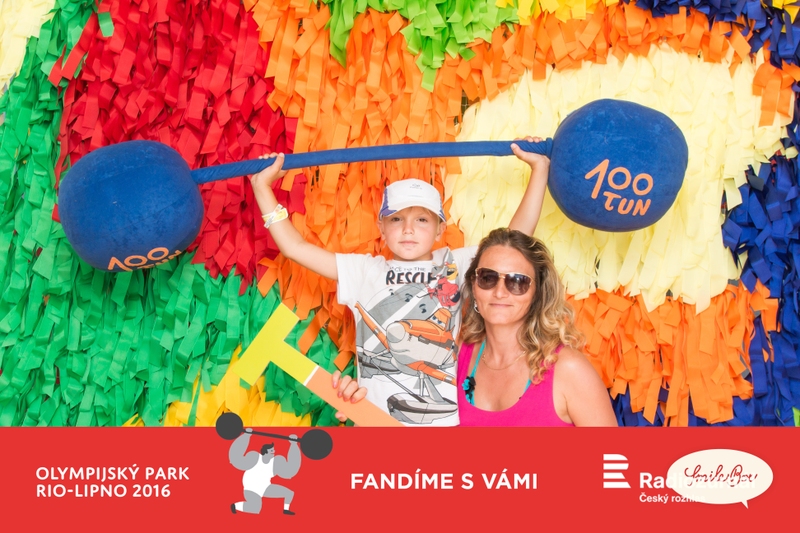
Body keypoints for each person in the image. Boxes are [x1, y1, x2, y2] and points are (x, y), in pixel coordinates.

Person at [250, 139, 550, 426]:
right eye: (396, 219)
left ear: (440, 229)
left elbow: (516, 239)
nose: (408, 229)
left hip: (442, 427)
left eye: (422, 219)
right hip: (373, 424)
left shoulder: (454, 264)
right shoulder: (363, 271)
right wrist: (262, 188)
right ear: (381, 228)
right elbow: (295, 248)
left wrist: (539, 169)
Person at [457, 228, 617, 426]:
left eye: (517, 281)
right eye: (487, 277)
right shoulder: (456, 355)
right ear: (474, 286)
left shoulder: (570, 369)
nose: (499, 292)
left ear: (537, 293)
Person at [229, 429, 301, 515]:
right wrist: (246, 436)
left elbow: (290, 470)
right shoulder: (255, 458)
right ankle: (235, 506)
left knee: (289, 493)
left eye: (274, 450)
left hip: (265, 487)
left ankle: (286, 510)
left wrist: (293, 444)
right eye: (272, 450)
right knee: (255, 509)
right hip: (251, 488)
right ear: (266, 452)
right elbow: (236, 458)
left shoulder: (275, 463)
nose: (274, 452)